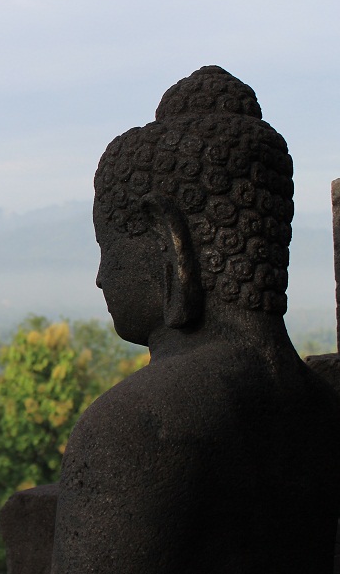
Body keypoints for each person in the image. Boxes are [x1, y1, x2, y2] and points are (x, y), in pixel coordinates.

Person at [50, 66, 340, 573]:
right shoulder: (324, 406)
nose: (100, 278)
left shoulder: (138, 425)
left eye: (108, 249)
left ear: (168, 243)